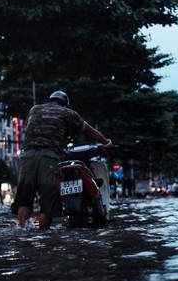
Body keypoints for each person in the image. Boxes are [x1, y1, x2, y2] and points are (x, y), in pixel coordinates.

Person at [11, 90, 113, 229]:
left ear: (50, 100)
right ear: (65, 104)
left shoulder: (34, 109)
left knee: (24, 200)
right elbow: (88, 130)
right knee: (48, 205)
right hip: (49, 157)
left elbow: (26, 129)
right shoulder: (67, 113)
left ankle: (22, 231)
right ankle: (43, 239)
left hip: (27, 156)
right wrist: (106, 142)